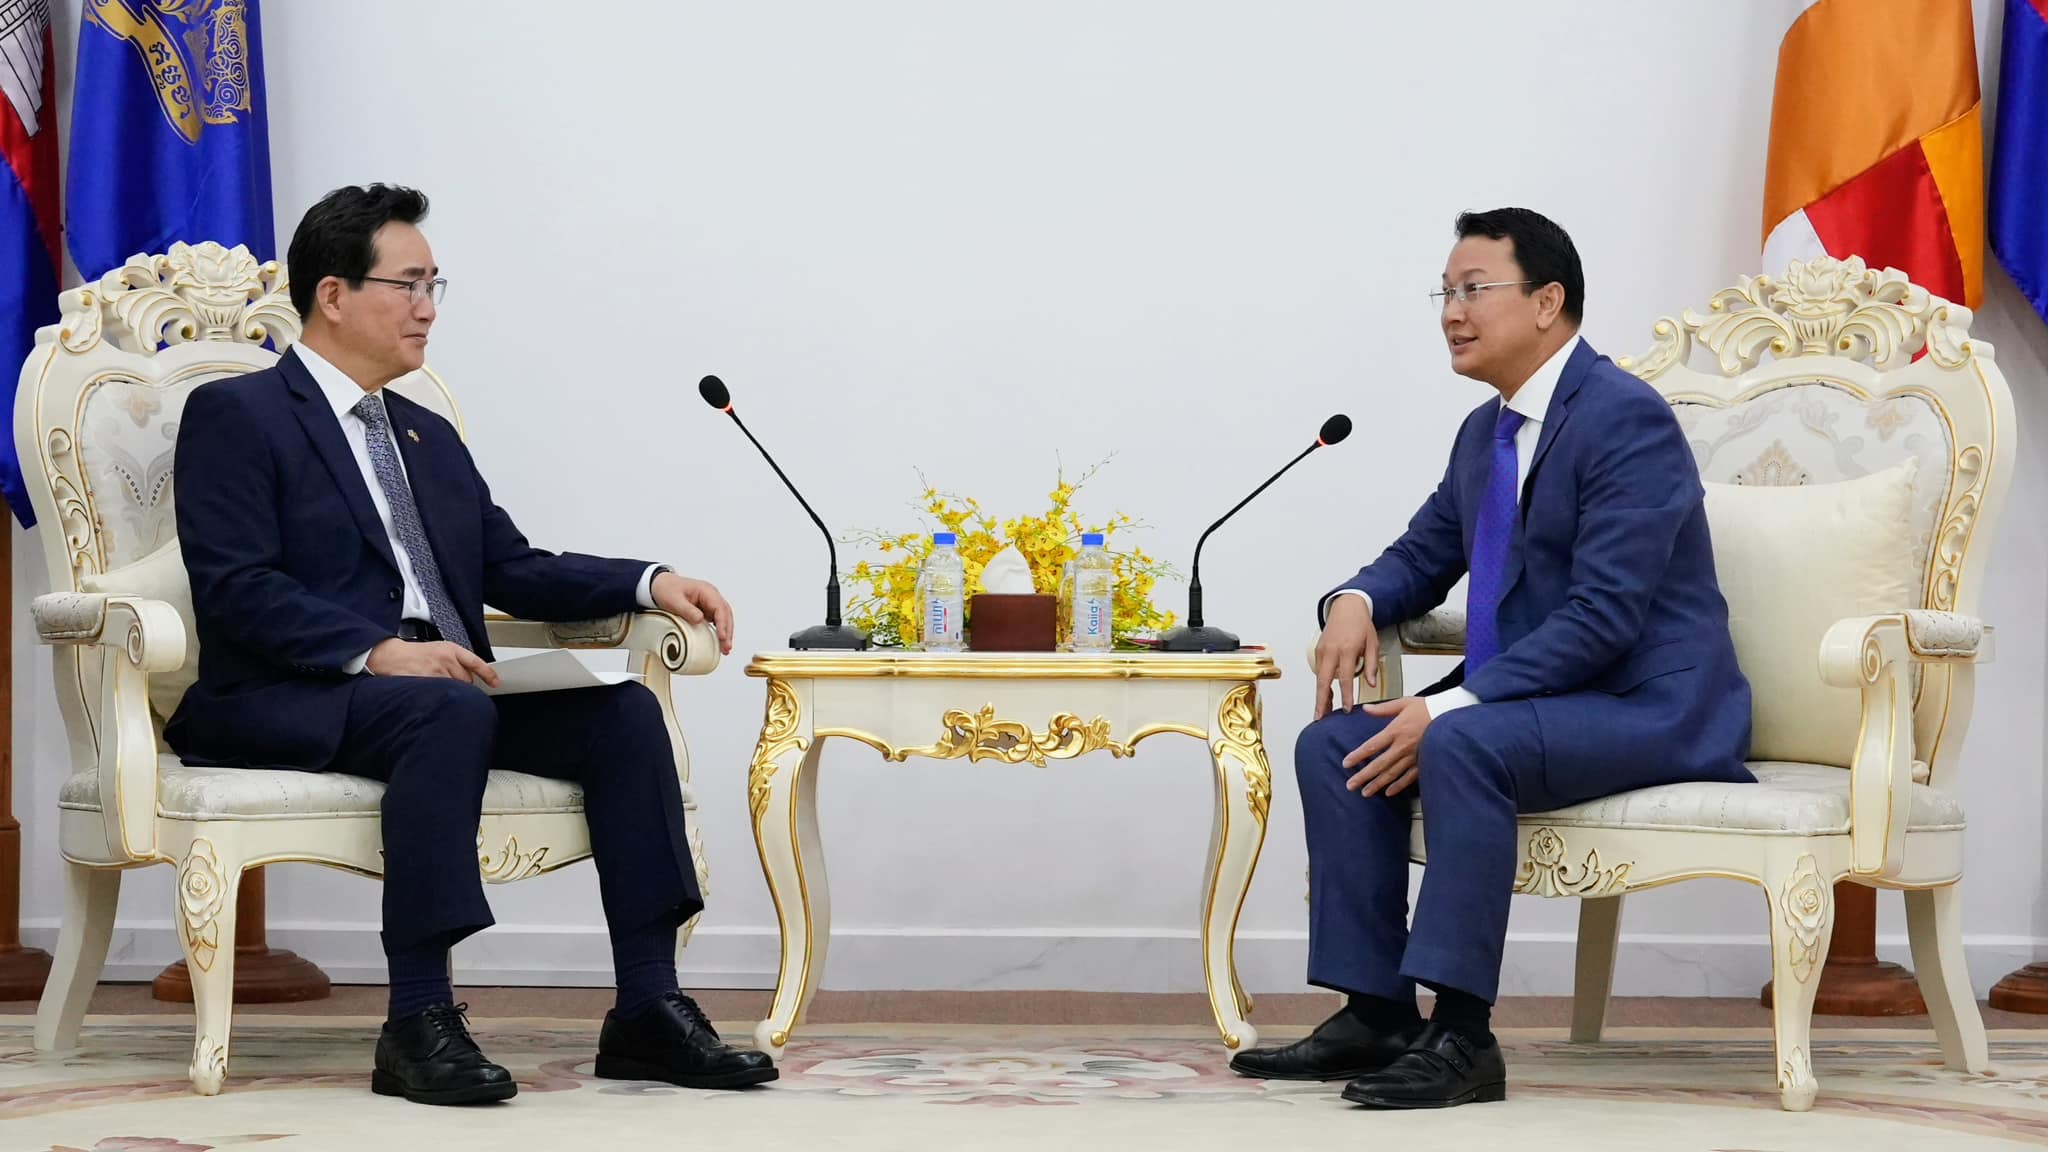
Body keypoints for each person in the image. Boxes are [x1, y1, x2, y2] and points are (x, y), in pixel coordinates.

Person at [168, 184, 776, 1105]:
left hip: (439, 692)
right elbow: (236, 586)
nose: (427, 308)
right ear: (333, 295)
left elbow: (512, 567)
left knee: (622, 715)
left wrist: (648, 582)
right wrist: (377, 651)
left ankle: (649, 1008)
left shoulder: (425, 431)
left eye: (434, 286)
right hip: (292, 692)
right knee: (444, 708)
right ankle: (418, 1019)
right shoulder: (239, 414)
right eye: (408, 284)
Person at [1229, 208, 1752, 1109]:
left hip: (1645, 705)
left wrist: (1448, 706)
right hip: (1538, 701)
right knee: (1333, 744)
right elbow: (1421, 554)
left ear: (1547, 302)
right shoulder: (1487, 433)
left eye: (1474, 289)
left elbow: (1604, 617)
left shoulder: (1626, 417)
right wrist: (1353, 601)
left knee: (1458, 740)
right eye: (1445, 292)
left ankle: (1464, 1035)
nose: (1451, 311)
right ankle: (1377, 1013)